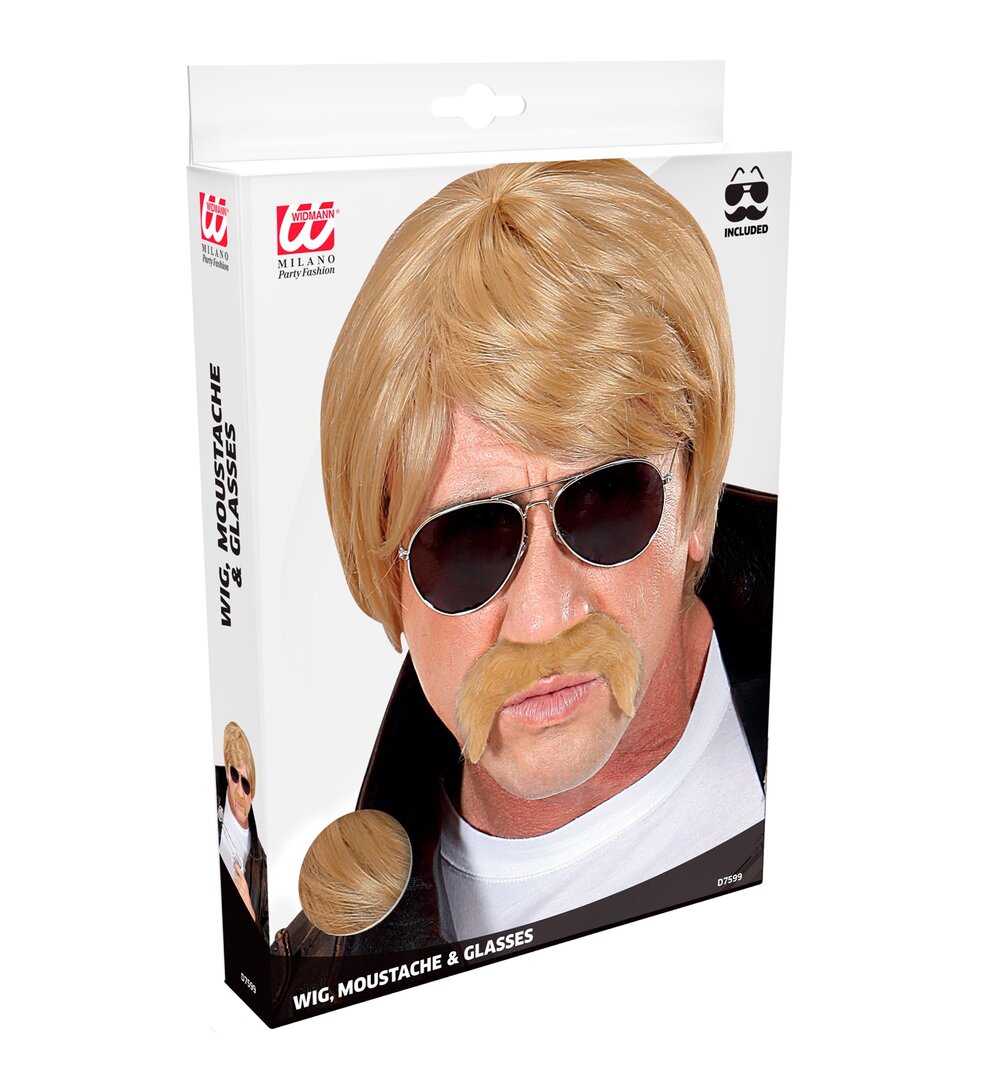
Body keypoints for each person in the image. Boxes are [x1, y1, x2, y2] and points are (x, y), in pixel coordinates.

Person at [276, 159, 774, 967]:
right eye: (466, 544)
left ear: (694, 501)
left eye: (607, 502)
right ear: (390, 582)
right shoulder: (317, 973)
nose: (543, 617)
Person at [217, 721, 269, 942]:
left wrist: (248, 907)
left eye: (246, 784)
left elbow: (266, 944)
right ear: (227, 772)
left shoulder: (261, 864)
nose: (240, 791)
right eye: (235, 776)